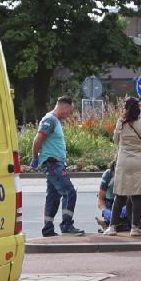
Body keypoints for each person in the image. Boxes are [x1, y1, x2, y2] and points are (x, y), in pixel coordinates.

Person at [29, 95, 85, 237]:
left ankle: (48, 229)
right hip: (53, 164)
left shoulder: (55, 121)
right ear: (64, 107)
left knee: (53, 197)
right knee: (69, 192)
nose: (70, 114)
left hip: (55, 163)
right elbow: (37, 140)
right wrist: (35, 158)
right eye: (70, 111)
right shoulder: (50, 120)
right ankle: (67, 226)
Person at [106, 96, 141, 235]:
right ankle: (135, 227)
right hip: (140, 162)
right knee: (137, 196)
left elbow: (116, 140)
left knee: (120, 194)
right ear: (139, 109)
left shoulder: (121, 123)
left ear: (126, 108)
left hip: (124, 162)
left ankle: (112, 227)